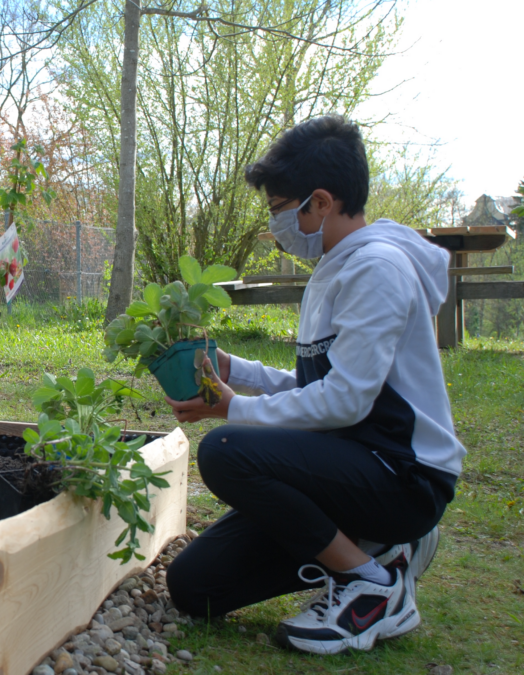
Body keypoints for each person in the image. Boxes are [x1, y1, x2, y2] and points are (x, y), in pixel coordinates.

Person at [163, 115, 464, 655]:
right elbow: (320, 385)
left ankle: (372, 585)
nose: (276, 224)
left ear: (320, 202)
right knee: (195, 587)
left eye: (281, 209)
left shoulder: (377, 269)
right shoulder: (336, 268)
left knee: (228, 451)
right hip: (349, 464)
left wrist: (234, 411)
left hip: (403, 475)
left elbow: (345, 402)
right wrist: (240, 372)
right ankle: (378, 550)